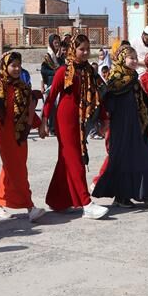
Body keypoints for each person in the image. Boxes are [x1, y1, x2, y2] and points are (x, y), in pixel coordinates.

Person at [93, 45, 148, 208]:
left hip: (139, 124)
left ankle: (145, 193)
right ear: (122, 59)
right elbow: (108, 102)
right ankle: (121, 196)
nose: (135, 61)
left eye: (136, 58)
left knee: (146, 156)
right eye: (131, 58)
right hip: (123, 126)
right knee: (124, 160)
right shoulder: (116, 79)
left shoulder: (134, 77)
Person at [43, 35, 109, 219]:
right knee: (76, 159)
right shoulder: (64, 71)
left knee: (66, 160)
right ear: (73, 50)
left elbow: (99, 95)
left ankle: (57, 200)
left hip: (82, 120)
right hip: (66, 119)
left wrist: (104, 119)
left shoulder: (90, 70)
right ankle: (86, 203)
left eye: (88, 48)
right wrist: (43, 122)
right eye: (82, 49)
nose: (86, 52)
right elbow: (50, 97)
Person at [0, 51, 48, 222]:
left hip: (21, 134)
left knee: (12, 168)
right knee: (18, 170)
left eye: (19, 65)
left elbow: (28, 110)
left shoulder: (23, 86)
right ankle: (30, 207)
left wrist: (40, 126)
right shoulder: (0, 87)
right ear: (5, 67)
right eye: (13, 65)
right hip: (5, 134)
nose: (16, 68)